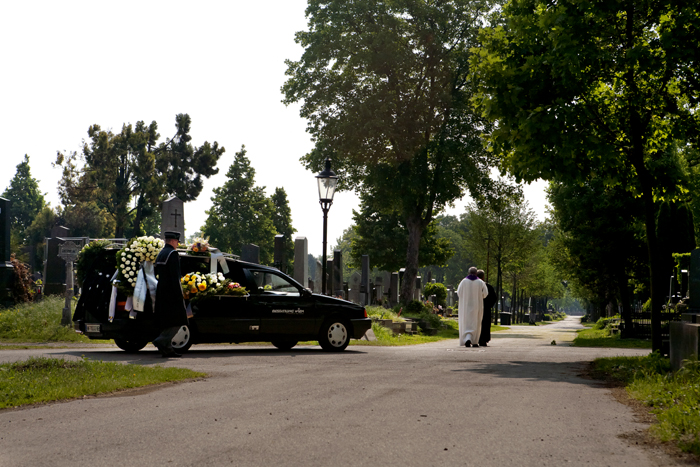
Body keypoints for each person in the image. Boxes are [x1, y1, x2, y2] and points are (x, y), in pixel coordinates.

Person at [152, 231, 189, 358]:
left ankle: (167, 349)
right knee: (179, 320)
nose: (177, 244)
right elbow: (175, 277)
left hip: (161, 291)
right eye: (177, 242)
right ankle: (162, 340)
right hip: (172, 293)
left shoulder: (161, 253)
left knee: (167, 321)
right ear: (173, 241)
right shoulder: (172, 254)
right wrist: (180, 295)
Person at [457, 266, 489, 348]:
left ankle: (467, 339)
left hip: (466, 306)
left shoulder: (463, 281)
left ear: (468, 273)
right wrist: (479, 296)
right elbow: (485, 293)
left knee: (466, 323)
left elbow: (459, 292)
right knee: (476, 322)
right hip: (476, 306)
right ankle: (474, 341)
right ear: (476, 273)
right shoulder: (480, 282)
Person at [476, 269, 497, 347]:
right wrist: (489, 306)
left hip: (476, 308)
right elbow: (494, 298)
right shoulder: (488, 287)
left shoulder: (474, 287)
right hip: (486, 309)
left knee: (477, 323)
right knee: (485, 324)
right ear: (483, 277)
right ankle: (484, 339)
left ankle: (476, 338)